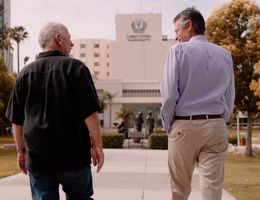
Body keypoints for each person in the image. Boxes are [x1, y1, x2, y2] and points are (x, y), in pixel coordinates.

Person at [5, 22, 104, 200]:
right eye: (69, 38)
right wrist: (97, 145)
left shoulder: (24, 74)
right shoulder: (76, 68)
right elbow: (90, 113)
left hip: (38, 159)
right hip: (73, 158)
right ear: (58, 39)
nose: (71, 43)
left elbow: (16, 120)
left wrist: (21, 151)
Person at [160, 7, 235, 200]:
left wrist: (168, 125)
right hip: (216, 127)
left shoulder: (177, 51)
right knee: (212, 192)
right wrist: (220, 121)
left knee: (180, 191)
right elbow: (230, 95)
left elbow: (168, 95)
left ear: (189, 26)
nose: (176, 37)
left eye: (177, 31)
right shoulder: (225, 54)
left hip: (184, 126)